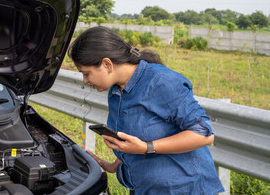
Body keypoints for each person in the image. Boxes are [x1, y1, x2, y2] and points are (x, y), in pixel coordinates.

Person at [68, 26, 224, 195]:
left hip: (185, 189)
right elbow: (140, 138)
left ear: (107, 64)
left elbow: (204, 134)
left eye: (86, 73)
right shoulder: (115, 91)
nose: (84, 80)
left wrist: (146, 147)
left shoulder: (161, 81)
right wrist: (113, 166)